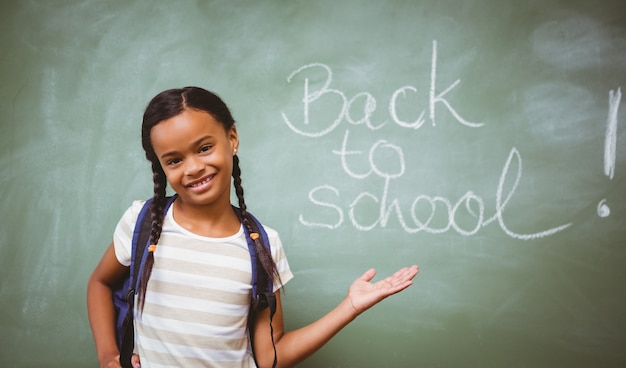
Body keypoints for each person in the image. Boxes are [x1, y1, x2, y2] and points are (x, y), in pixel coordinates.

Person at [87, 86, 419, 368]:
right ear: (160, 165)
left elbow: (270, 357)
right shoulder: (143, 222)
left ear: (232, 139)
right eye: (174, 160)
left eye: (205, 148)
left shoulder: (262, 244)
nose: (193, 168)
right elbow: (100, 283)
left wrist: (349, 307)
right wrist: (108, 356)